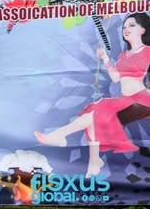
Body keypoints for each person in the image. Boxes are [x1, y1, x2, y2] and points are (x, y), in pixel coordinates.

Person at [34, 12, 150, 177]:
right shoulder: (124, 55)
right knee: (96, 109)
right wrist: (105, 60)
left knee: (99, 109)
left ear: (143, 30)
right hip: (125, 100)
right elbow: (116, 78)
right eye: (124, 26)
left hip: (141, 98)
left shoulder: (147, 51)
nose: (126, 29)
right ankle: (94, 162)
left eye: (131, 25)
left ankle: (61, 136)